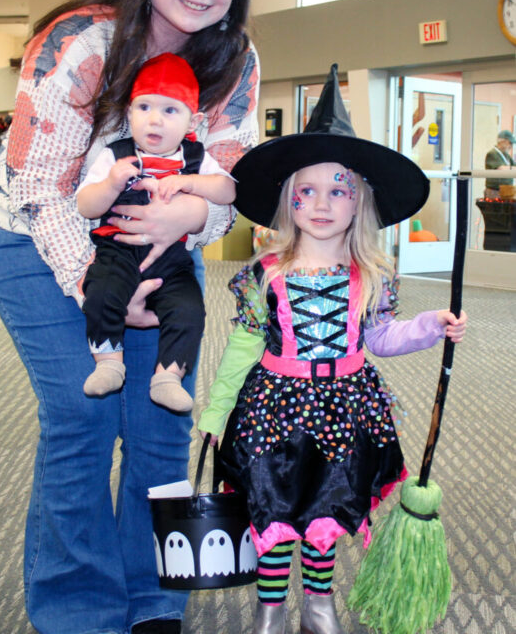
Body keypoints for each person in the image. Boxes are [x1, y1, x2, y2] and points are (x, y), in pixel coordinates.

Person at [0, 0, 258, 634]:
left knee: (162, 419)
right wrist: (97, 287)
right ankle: (78, 607)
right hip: (38, 241)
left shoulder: (233, 58)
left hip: (158, 248)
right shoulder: (80, 41)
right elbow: (39, 187)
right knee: (82, 413)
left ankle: (153, 599)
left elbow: (231, 179)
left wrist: (192, 215)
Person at [197, 65, 467, 634]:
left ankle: (318, 602)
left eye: (338, 191)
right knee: (273, 510)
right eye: (307, 191)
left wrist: (430, 327)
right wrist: (218, 412)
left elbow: (382, 338)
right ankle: (272, 607)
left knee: (326, 510)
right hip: (273, 409)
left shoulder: (372, 274)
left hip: (346, 408)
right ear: (288, 201)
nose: (322, 204)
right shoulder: (266, 273)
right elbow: (243, 346)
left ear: (359, 202)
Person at [77, 52, 235, 409]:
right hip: (118, 251)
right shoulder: (115, 155)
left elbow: (228, 191)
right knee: (100, 293)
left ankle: (168, 376)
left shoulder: (195, 158)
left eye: (170, 110)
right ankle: (108, 362)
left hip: (172, 260)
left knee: (189, 308)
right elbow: (86, 205)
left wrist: (191, 183)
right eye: (144, 107)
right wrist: (111, 184)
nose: (155, 119)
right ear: (128, 113)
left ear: (193, 120)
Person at [484, 129, 516, 198]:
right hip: (494, 191)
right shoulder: (492, 154)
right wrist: (511, 168)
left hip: (506, 190)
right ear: (502, 141)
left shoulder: (506, 155)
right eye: (510, 143)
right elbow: (501, 169)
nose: (511, 146)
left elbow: (514, 166)